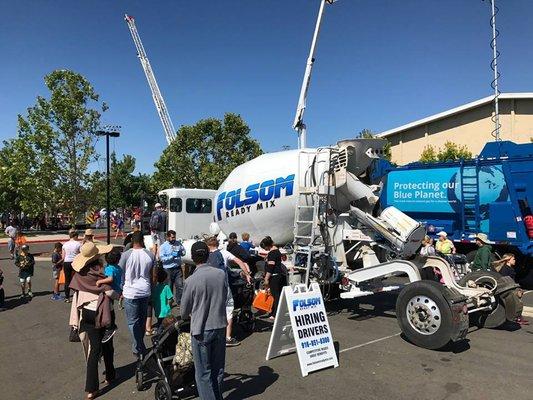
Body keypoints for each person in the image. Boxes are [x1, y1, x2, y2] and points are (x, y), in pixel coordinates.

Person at [68, 242, 117, 399]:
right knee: (108, 345)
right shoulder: (100, 273)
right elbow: (110, 293)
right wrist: (118, 295)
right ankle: (110, 375)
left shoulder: (79, 275)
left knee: (93, 350)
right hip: (103, 313)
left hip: (86, 313)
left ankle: (91, 389)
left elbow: (76, 294)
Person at [181, 241, 227, 400]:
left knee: (203, 373)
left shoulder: (190, 281)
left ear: (193, 258)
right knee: (218, 369)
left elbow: (184, 311)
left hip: (201, 329)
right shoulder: (220, 274)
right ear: (208, 255)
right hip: (220, 325)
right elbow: (224, 296)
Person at [206, 236, 251, 347]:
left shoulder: (206, 256)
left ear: (208, 246)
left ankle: (211, 335)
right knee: (228, 311)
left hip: (210, 289)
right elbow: (239, 261)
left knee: (211, 311)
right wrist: (247, 275)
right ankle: (228, 338)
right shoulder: (224, 253)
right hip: (223, 288)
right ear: (217, 244)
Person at [119, 231, 154, 359]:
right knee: (142, 320)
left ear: (132, 241)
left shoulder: (126, 255)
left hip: (130, 291)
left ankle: (137, 346)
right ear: (142, 240)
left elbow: (121, 272)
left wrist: (121, 287)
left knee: (133, 322)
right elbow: (151, 275)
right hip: (145, 290)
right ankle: (140, 345)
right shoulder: (150, 255)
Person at [96, 251, 123, 343]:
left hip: (112, 291)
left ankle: (110, 326)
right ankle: (111, 324)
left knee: (108, 306)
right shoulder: (118, 268)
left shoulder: (109, 268)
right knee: (110, 307)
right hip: (118, 290)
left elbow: (110, 278)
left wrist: (100, 281)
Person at [260, 236, 288, 320]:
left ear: (267, 246)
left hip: (274, 276)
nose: (265, 250)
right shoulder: (277, 251)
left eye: (265, 248)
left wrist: (266, 279)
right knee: (277, 295)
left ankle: (276, 313)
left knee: (275, 296)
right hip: (279, 275)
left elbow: (270, 267)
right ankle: (275, 312)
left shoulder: (272, 253)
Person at [159, 230, 186, 305]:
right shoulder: (163, 246)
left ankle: (179, 302)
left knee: (180, 285)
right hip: (168, 269)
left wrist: (181, 252)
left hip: (177, 268)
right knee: (169, 286)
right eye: (172, 237)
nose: (174, 239)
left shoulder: (178, 243)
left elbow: (184, 252)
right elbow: (162, 259)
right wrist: (172, 256)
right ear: (167, 237)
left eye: (174, 237)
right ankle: (169, 302)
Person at [62, 229, 81, 303]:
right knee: (77, 278)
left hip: (66, 262)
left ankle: (67, 297)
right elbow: (80, 254)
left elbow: (63, 257)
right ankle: (77, 295)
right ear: (75, 236)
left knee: (67, 280)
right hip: (75, 262)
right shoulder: (78, 244)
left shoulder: (65, 244)